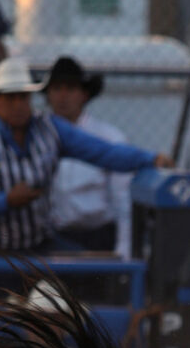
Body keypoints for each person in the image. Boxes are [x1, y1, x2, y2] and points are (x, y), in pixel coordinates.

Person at [0, 56, 166, 254]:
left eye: (23, 97)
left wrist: (150, 158)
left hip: (38, 244)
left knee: (82, 275)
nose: (18, 105)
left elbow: (104, 152)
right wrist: (6, 200)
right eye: (9, 98)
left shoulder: (49, 128)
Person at [43, 55, 135, 255]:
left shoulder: (110, 138)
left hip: (98, 239)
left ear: (84, 94)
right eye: (57, 88)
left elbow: (123, 200)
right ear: (48, 94)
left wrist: (123, 251)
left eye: (71, 88)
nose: (63, 96)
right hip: (54, 239)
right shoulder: (37, 140)